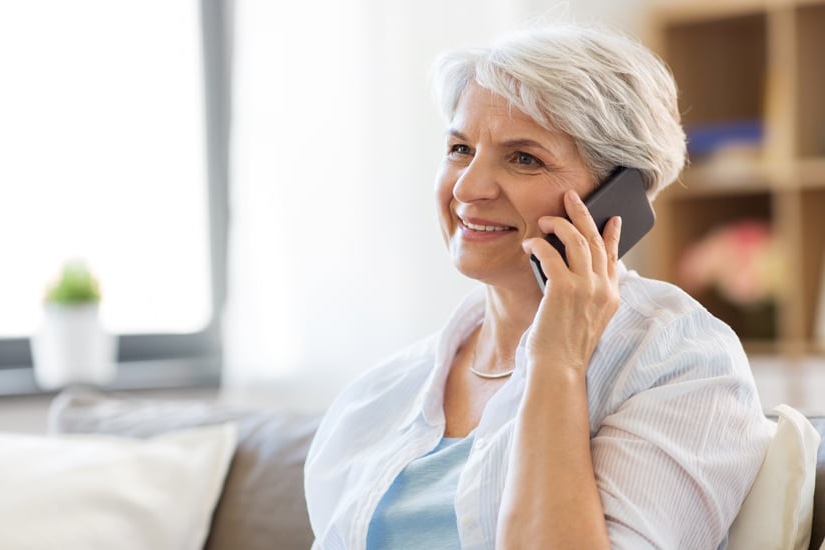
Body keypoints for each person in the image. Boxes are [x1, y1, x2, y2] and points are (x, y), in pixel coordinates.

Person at [305, 24, 772, 549]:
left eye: (523, 158)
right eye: (460, 148)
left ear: (619, 193)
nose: (467, 188)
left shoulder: (678, 360)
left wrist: (557, 363)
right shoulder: (377, 397)